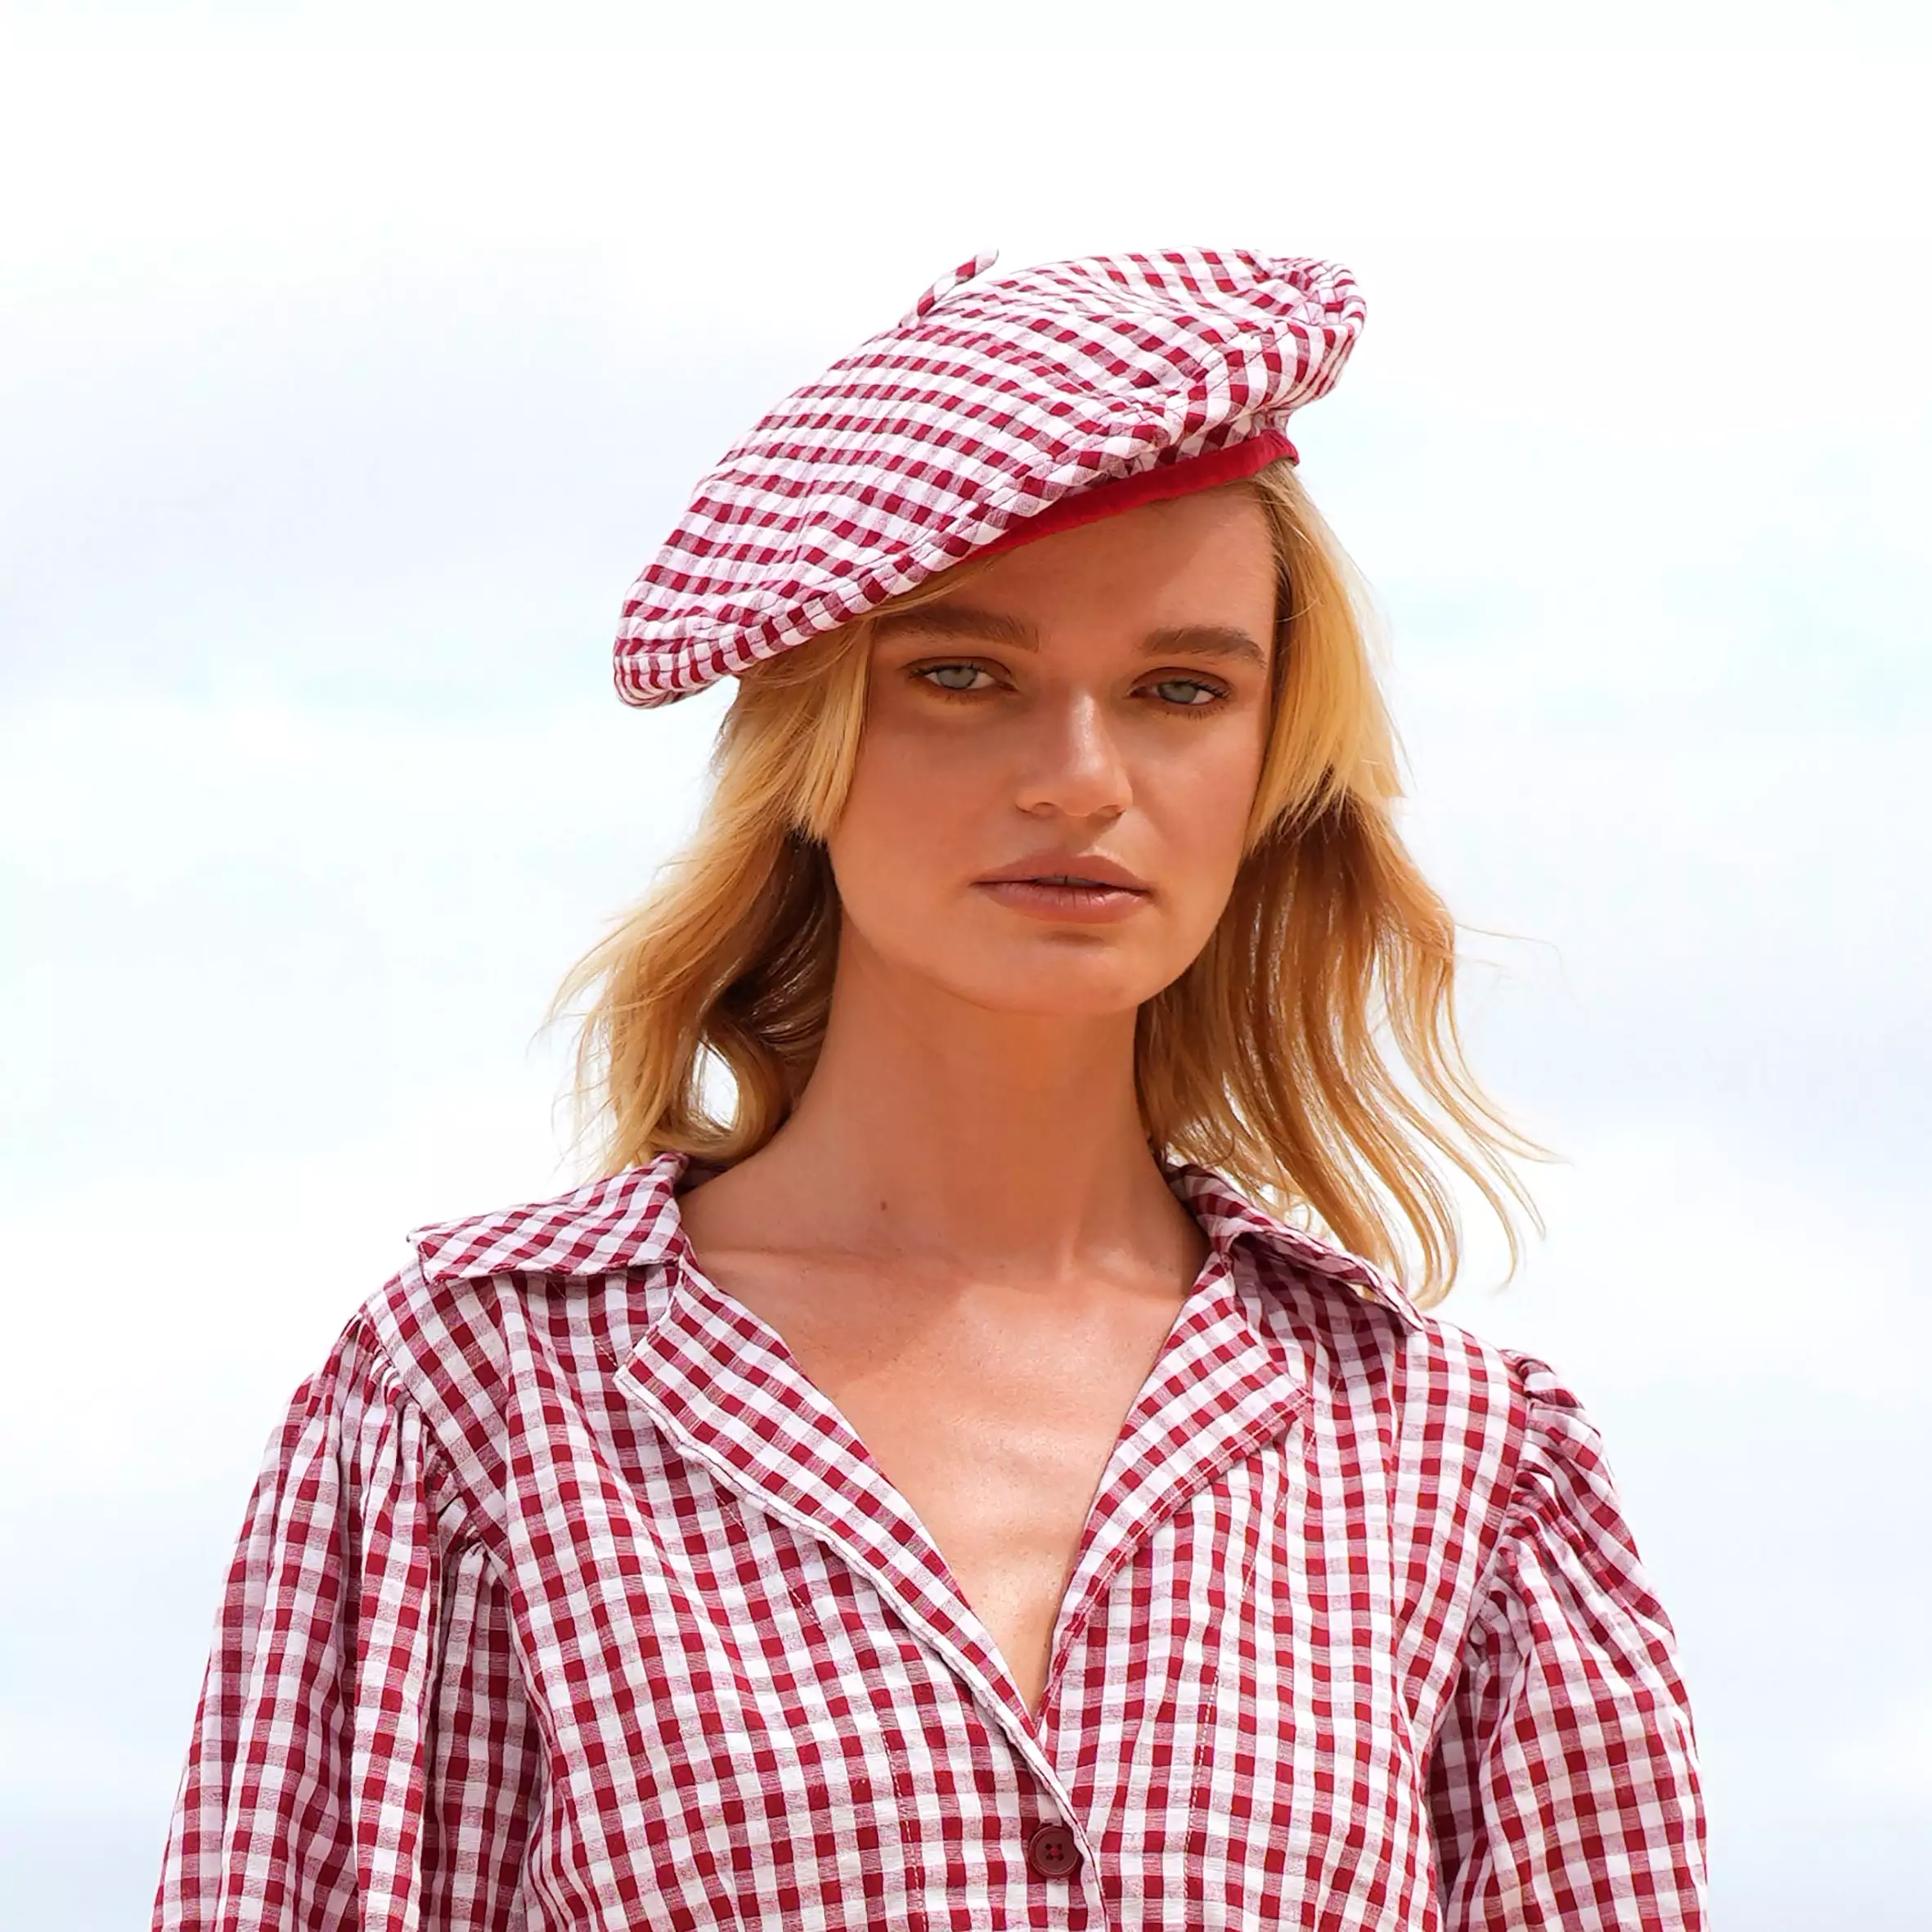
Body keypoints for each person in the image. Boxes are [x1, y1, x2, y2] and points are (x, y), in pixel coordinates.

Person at [154, 250, 1706, 1930]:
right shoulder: (481, 1400)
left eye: (1181, 690)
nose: (1080, 779)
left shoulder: (1453, 1460)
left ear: (1268, 768)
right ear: (810, 746)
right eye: (962, 676)